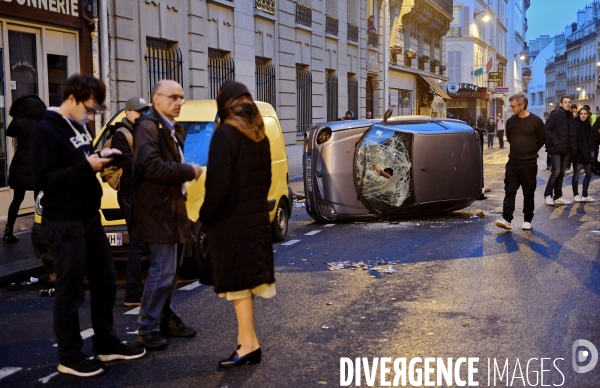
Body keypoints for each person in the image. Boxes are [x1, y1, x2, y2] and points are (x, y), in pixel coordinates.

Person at [31, 74, 145, 377]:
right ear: (72, 98)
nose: (92, 115)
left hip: (89, 218)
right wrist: (86, 166)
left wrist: (101, 158)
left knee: (106, 282)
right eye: (90, 109)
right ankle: (69, 357)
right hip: (64, 221)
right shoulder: (46, 130)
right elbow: (44, 181)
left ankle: (106, 343)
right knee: (70, 291)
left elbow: (79, 164)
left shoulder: (78, 126)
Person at [200, 81, 276, 367]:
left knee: (239, 287)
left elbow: (218, 185)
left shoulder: (226, 135)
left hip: (231, 223)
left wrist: (205, 216)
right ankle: (249, 341)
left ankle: (248, 344)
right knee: (245, 285)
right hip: (254, 220)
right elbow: (266, 180)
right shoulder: (260, 136)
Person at [133, 80, 203, 350]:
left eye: (181, 97)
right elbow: (151, 167)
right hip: (157, 210)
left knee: (171, 271)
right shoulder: (148, 126)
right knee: (162, 270)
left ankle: (166, 318)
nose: (179, 102)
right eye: (173, 97)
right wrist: (188, 171)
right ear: (156, 99)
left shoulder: (169, 127)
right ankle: (146, 327)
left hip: (171, 208)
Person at [107, 97, 149, 306]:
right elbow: (126, 163)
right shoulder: (121, 135)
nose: (140, 115)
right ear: (128, 113)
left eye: (143, 111)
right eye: (137, 111)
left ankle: (138, 290)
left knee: (141, 243)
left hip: (140, 193)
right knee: (137, 244)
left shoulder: (138, 132)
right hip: (129, 194)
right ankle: (132, 294)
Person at [495, 93, 546, 231]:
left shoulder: (536, 121)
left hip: (529, 163)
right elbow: (511, 139)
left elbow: (542, 139)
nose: (511, 108)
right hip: (512, 163)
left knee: (528, 192)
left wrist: (530, 150)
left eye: (513, 106)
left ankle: (527, 219)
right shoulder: (510, 121)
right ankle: (507, 219)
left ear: (522, 105)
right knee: (509, 190)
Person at [4, 95, 46, 243]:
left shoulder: (20, 123)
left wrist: (16, 117)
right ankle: (42, 230)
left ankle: (8, 230)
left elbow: (8, 132)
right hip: (36, 164)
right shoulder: (42, 123)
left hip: (20, 164)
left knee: (17, 199)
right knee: (39, 199)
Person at [544, 96, 576, 206]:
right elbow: (547, 129)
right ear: (561, 104)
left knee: (562, 173)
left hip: (566, 149)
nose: (568, 104)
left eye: (569, 102)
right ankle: (548, 195)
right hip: (556, 148)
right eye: (565, 102)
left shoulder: (570, 117)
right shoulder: (555, 115)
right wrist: (556, 142)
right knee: (556, 172)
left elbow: (572, 133)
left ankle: (558, 196)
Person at [571, 107, 595, 202]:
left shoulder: (588, 125)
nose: (583, 115)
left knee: (589, 174)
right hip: (577, 153)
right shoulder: (575, 124)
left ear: (588, 115)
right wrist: (576, 149)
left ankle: (585, 195)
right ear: (578, 114)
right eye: (581, 113)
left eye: (585, 113)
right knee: (576, 175)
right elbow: (573, 139)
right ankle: (576, 195)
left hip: (586, 153)